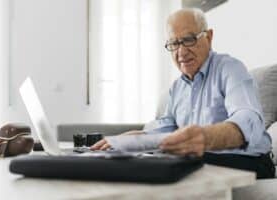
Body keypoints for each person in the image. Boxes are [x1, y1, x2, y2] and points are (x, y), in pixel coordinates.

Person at [91, 8, 275, 178]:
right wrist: (136, 138)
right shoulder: (177, 87)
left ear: (209, 37)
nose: (181, 52)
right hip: (205, 157)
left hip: (252, 162)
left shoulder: (230, 68)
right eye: (174, 43)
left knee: (167, 165)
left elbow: (248, 118)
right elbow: (167, 126)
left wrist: (206, 137)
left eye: (188, 40)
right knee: (142, 161)